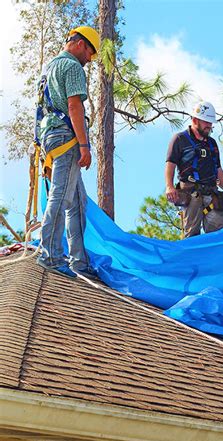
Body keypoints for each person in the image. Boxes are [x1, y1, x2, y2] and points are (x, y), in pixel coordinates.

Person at [36, 26, 100, 279]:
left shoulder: (49, 67)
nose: (89, 60)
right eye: (90, 53)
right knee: (62, 196)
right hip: (65, 136)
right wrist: (84, 145)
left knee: (77, 201)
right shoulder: (72, 66)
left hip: (51, 135)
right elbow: (74, 106)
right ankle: (50, 254)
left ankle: (78, 261)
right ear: (80, 44)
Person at [165, 101, 223, 238]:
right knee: (191, 236)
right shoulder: (180, 139)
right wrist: (169, 186)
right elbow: (170, 164)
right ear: (194, 120)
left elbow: (218, 170)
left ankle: (217, 259)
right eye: (206, 122)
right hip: (191, 193)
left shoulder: (212, 144)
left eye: (210, 123)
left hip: (211, 193)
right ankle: (191, 259)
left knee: (218, 236)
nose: (209, 126)